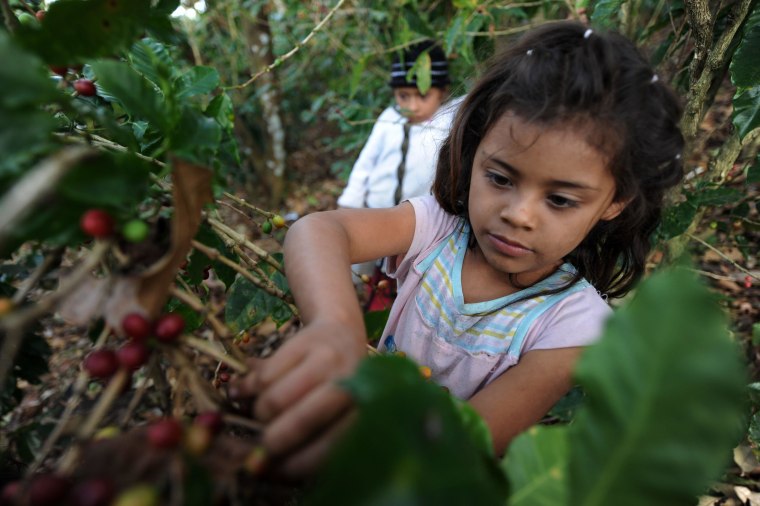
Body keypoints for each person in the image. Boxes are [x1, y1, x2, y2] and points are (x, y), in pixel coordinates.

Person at [230, 21, 684, 476]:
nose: (519, 215)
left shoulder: (574, 328)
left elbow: (465, 442)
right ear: (474, 152)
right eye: (500, 178)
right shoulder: (438, 227)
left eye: (560, 200)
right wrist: (336, 327)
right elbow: (316, 231)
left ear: (615, 202)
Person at [337, 41, 461, 307]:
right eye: (404, 96)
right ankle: (364, 311)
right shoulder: (388, 119)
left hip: (415, 226)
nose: (412, 106)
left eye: (422, 95)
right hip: (373, 215)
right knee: (368, 275)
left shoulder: (449, 121)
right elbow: (365, 162)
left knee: (407, 280)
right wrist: (350, 200)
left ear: (442, 92)